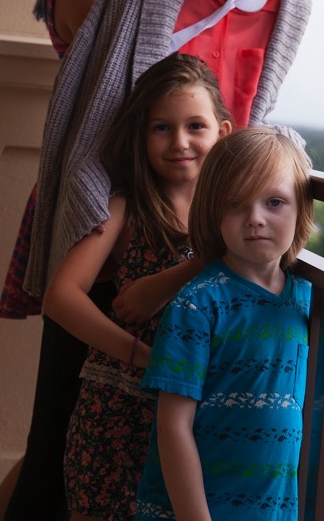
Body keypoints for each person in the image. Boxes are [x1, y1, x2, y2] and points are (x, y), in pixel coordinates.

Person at [23, 0, 313, 329]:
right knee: (80, 382)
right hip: (119, 217)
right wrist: (96, 206)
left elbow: (250, 125)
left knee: (184, 386)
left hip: (206, 227)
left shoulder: (288, 9)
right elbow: (88, 106)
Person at [0, 0, 154, 521]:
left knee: (60, 412)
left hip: (92, 195)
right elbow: (132, 101)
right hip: (94, 201)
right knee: (63, 412)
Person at [41, 53, 231, 521]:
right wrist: (144, 357)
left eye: (195, 126)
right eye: (161, 128)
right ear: (142, 136)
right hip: (117, 412)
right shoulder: (124, 209)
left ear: (223, 133)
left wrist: (178, 275)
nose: (180, 142)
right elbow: (60, 297)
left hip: (203, 417)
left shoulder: (236, 215)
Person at [135, 127, 314, 521]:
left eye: (275, 202)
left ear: (301, 208)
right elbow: (173, 425)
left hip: (272, 509)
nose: (255, 219)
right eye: (236, 205)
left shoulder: (306, 300)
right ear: (213, 212)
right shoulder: (198, 303)